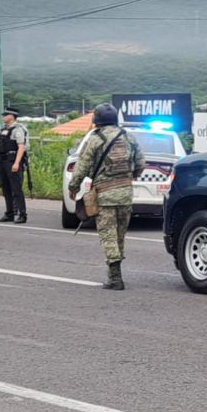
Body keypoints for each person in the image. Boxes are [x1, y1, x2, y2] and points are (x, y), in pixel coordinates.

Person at [68, 104, 145, 289]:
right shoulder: (128, 136)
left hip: (105, 195)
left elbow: (82, 165)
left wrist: (74, 186)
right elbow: (140, 163)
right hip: (126, 194)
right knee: (119, 235)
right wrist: (128, 178)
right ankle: (116, 273)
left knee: (108, 235)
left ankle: (115, 278)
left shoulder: (95, 139)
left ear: (96, 121)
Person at [0, 107, 29, 224]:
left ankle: (22, 214)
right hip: (2, 160)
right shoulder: (2, 130)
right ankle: (10, 213)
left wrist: (17, 163)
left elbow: (21, 147)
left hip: (12, 159)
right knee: (5, 188)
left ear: (12, 116)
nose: (3, 117)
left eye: (5, 115)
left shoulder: (18, 129)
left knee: (16, 189)